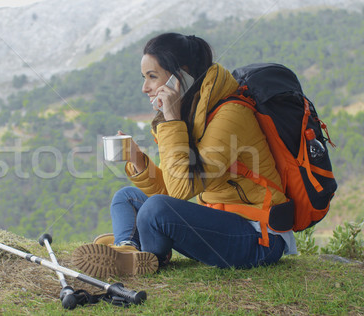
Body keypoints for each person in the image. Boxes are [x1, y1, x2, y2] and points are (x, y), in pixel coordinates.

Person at [72, 32, 297, 278]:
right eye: (144, 77)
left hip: (259, 236)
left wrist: (171, 119)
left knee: (155, 209)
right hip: (221, 222)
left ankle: (146, 252)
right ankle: (129, 249)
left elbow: (177, 193)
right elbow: (171, 190)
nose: (144, 87)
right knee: (126, 197)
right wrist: (138, 161)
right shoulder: (193, 111)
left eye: (152, 76)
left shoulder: (230, 115)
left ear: (182, 77)